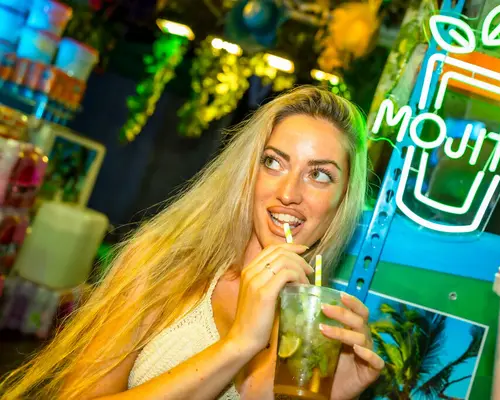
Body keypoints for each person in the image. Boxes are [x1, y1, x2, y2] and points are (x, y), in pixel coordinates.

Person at [0, 86, 384, 399]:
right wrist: (237, 346)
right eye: (274, 162)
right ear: (249, 171)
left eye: (319, 175)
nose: (288, 192)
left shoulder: (314, 327)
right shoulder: (166, 265)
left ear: (343, 198)